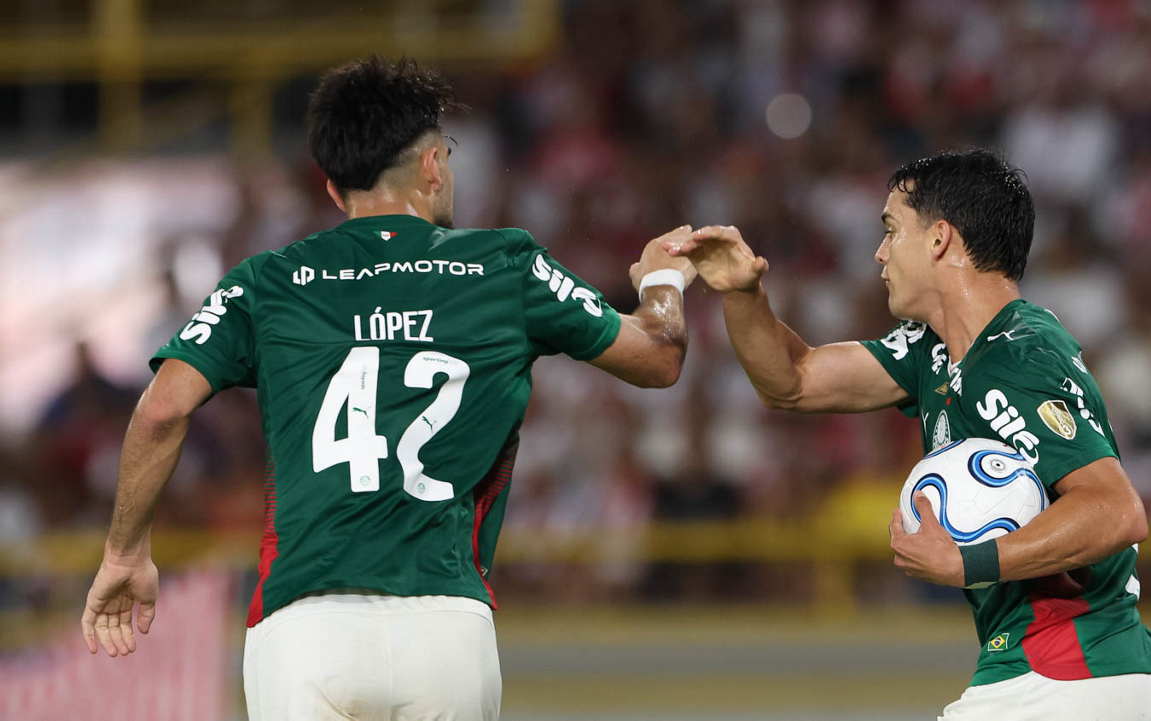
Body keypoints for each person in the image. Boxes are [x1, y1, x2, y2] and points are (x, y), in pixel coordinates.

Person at [80, 56, 697, 720]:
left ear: (331, 185)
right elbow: (658, 357)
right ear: (432, 165)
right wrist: (662, 280)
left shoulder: (267, 281)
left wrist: (125, 552)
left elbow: (162, 408)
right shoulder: (505, 266)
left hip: (303, 624)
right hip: (444, 622)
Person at [668, 149, 1151, 720]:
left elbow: (1118, 511)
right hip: (1124, 676)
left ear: (940, 239)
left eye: (892, 230)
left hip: (1060, 674)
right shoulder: (934, 353)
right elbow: (793, 382)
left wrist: (966, 562)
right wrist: (742, 292)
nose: (879, 253)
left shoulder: (1019, 357)